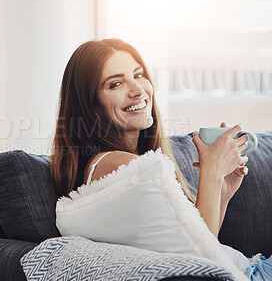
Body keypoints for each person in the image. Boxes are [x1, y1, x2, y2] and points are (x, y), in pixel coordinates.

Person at [50, 38, 271, 280]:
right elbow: (201, 263)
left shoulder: (134, 165)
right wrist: (211, 172)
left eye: (139, 75)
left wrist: (223, 192)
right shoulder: (119, 165)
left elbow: (201, 243)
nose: (138, 90)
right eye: (115, 84)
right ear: (90, 106)